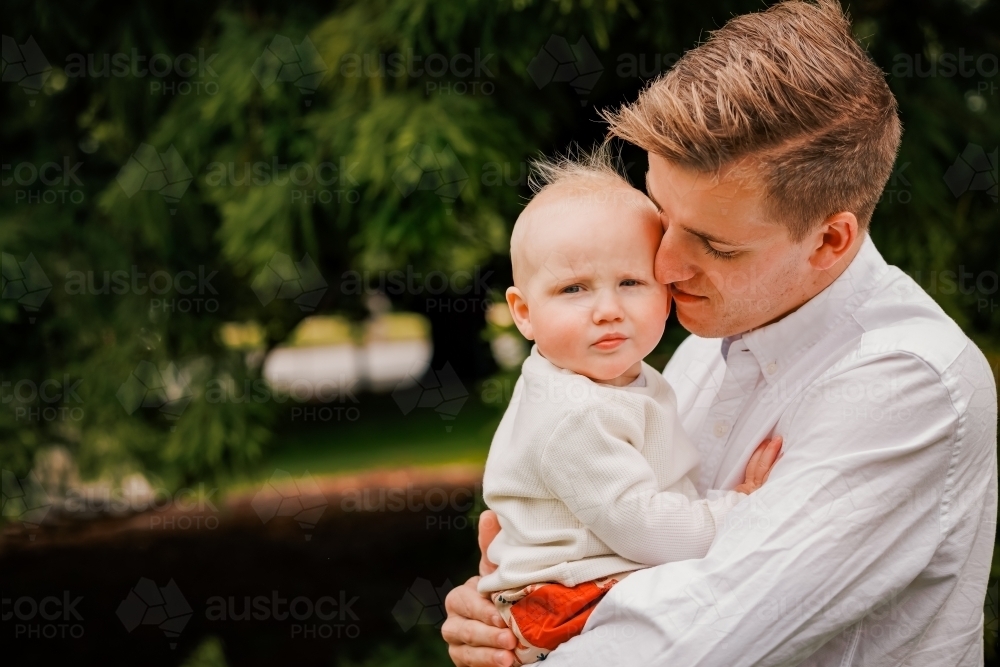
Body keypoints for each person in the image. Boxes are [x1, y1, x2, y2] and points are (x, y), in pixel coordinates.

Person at [442, 1, 998, 665]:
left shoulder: (907, 384)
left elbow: (680, 641)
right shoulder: (709, 339)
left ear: (829, 239)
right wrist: (512, 600)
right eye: (660, 216)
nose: (665, 266)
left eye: (713, 243)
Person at [479, 152, 782, 664]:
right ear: (524, 313)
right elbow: (642, 525)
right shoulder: (574, 412)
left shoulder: (619, 381)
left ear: (666, 295)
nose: (607, 309)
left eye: (631, 283)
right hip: (567, 601)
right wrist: (741, 509)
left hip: (584, 584)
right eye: (573, 288)